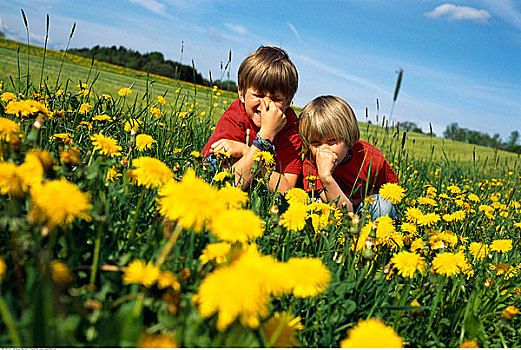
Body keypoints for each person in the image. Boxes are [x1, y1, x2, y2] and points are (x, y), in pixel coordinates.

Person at [202, 46, 302, 193]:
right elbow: (227, 186)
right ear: (241, 93)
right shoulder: (236, 115)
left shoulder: (290, 125)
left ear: (288, 102)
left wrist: (246, 150)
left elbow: (287, 192)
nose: (266, 104)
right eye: (258, 95)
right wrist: (265, 140)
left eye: (276, 99)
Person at [299, 95, 398, 220]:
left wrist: (359, 201)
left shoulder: (372, 158)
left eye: (332, 140)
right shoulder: (311, 162)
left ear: (348, 137)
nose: (324, 149)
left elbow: (393, 192)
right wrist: (325, 177)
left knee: (382, 206)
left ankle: (368, 237)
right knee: (313, 203)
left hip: (365, 207)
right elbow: (343, 212)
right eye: (315, 142)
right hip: (338, 209)